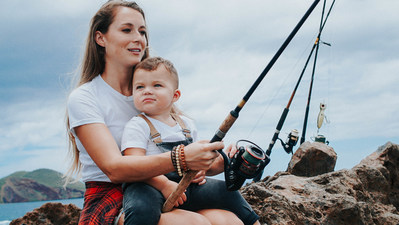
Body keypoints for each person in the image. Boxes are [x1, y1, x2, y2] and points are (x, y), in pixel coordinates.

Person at [65, 1, 250, 225]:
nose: (139, 38)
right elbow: (114, 168)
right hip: (113, 195)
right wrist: (181, 159)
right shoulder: (85, 97)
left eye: (142, 32)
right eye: (127, 30)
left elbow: (186, 162)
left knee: (228, 221)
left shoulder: (152, 93)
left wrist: (220, 163)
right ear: (100, 38)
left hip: (175, 186)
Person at [120, 56, 261, 225]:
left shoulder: (186, 124)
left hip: (186, 186)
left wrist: (201, 169)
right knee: (140, 210)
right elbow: (134, 165)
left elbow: (197, 160)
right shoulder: (137, 125)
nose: (147, 91)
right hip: (148, 185)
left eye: (157, 85)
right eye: (140, 87)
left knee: (227, 192)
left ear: (175, 95)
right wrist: (164, 185)